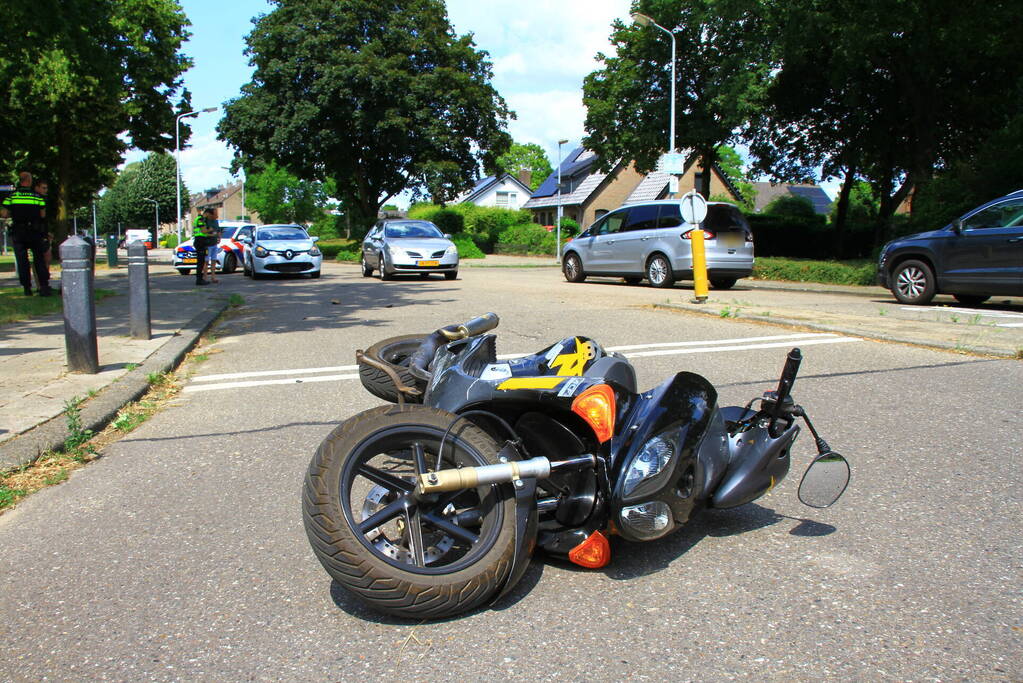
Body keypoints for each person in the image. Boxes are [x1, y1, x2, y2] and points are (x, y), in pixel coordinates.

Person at [1, 171, 51, 296]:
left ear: (20, 180)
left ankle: (27, 288)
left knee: (22, 261)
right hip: (35, 232)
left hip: (19, 232)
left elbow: (4, 214)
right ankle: (44, 286)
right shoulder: (37, 197)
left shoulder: (12, 196)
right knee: (39, 259)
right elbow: (43, 215)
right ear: (29, 181)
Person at [192, 209, 213, 286]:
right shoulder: (200, 220)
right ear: (207, 213)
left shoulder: (200, 219)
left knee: (201, 261)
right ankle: (199, 280)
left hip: (200, 241)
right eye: (210, 216)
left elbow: (202, 232)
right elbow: (203, 231)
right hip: (200, 241)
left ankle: (200, 279)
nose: (210, 217)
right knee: (200, 262)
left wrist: (212, 235)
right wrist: (209, 230)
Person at [203, 208, 221, 284]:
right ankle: (205, 277)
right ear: (211, 214)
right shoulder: (205, 221)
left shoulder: (216, 222)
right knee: (206, 261)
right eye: (215, 214)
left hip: (214, 244)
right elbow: (203, 232)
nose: (217, 215)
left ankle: (213, 277)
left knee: (213, 260)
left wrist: (219, 237)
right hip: (207, 244)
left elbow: (218, 230)